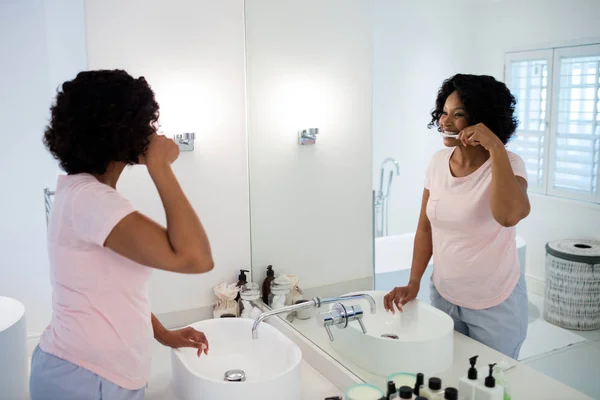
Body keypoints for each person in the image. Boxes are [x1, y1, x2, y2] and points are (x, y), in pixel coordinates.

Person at [30, 69, 215, 399]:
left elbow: (115, 293)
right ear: (124, 129)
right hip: (86, 381)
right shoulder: (91, 200)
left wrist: (163, 335)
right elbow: (195, 258)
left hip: (88, 376)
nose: (151, 131)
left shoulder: (82, 195)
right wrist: (161, 166)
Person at [384, 74, 531, 359]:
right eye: (444, 113)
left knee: (491, 384)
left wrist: (495, 147)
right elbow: (425, 228)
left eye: (458, 114)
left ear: (483, 119)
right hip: (445, 298)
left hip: (495, 305)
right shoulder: (438, 162)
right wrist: (414, 281)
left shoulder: (509, 163)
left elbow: (509, 215)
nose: (445, 121)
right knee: (449, 377)